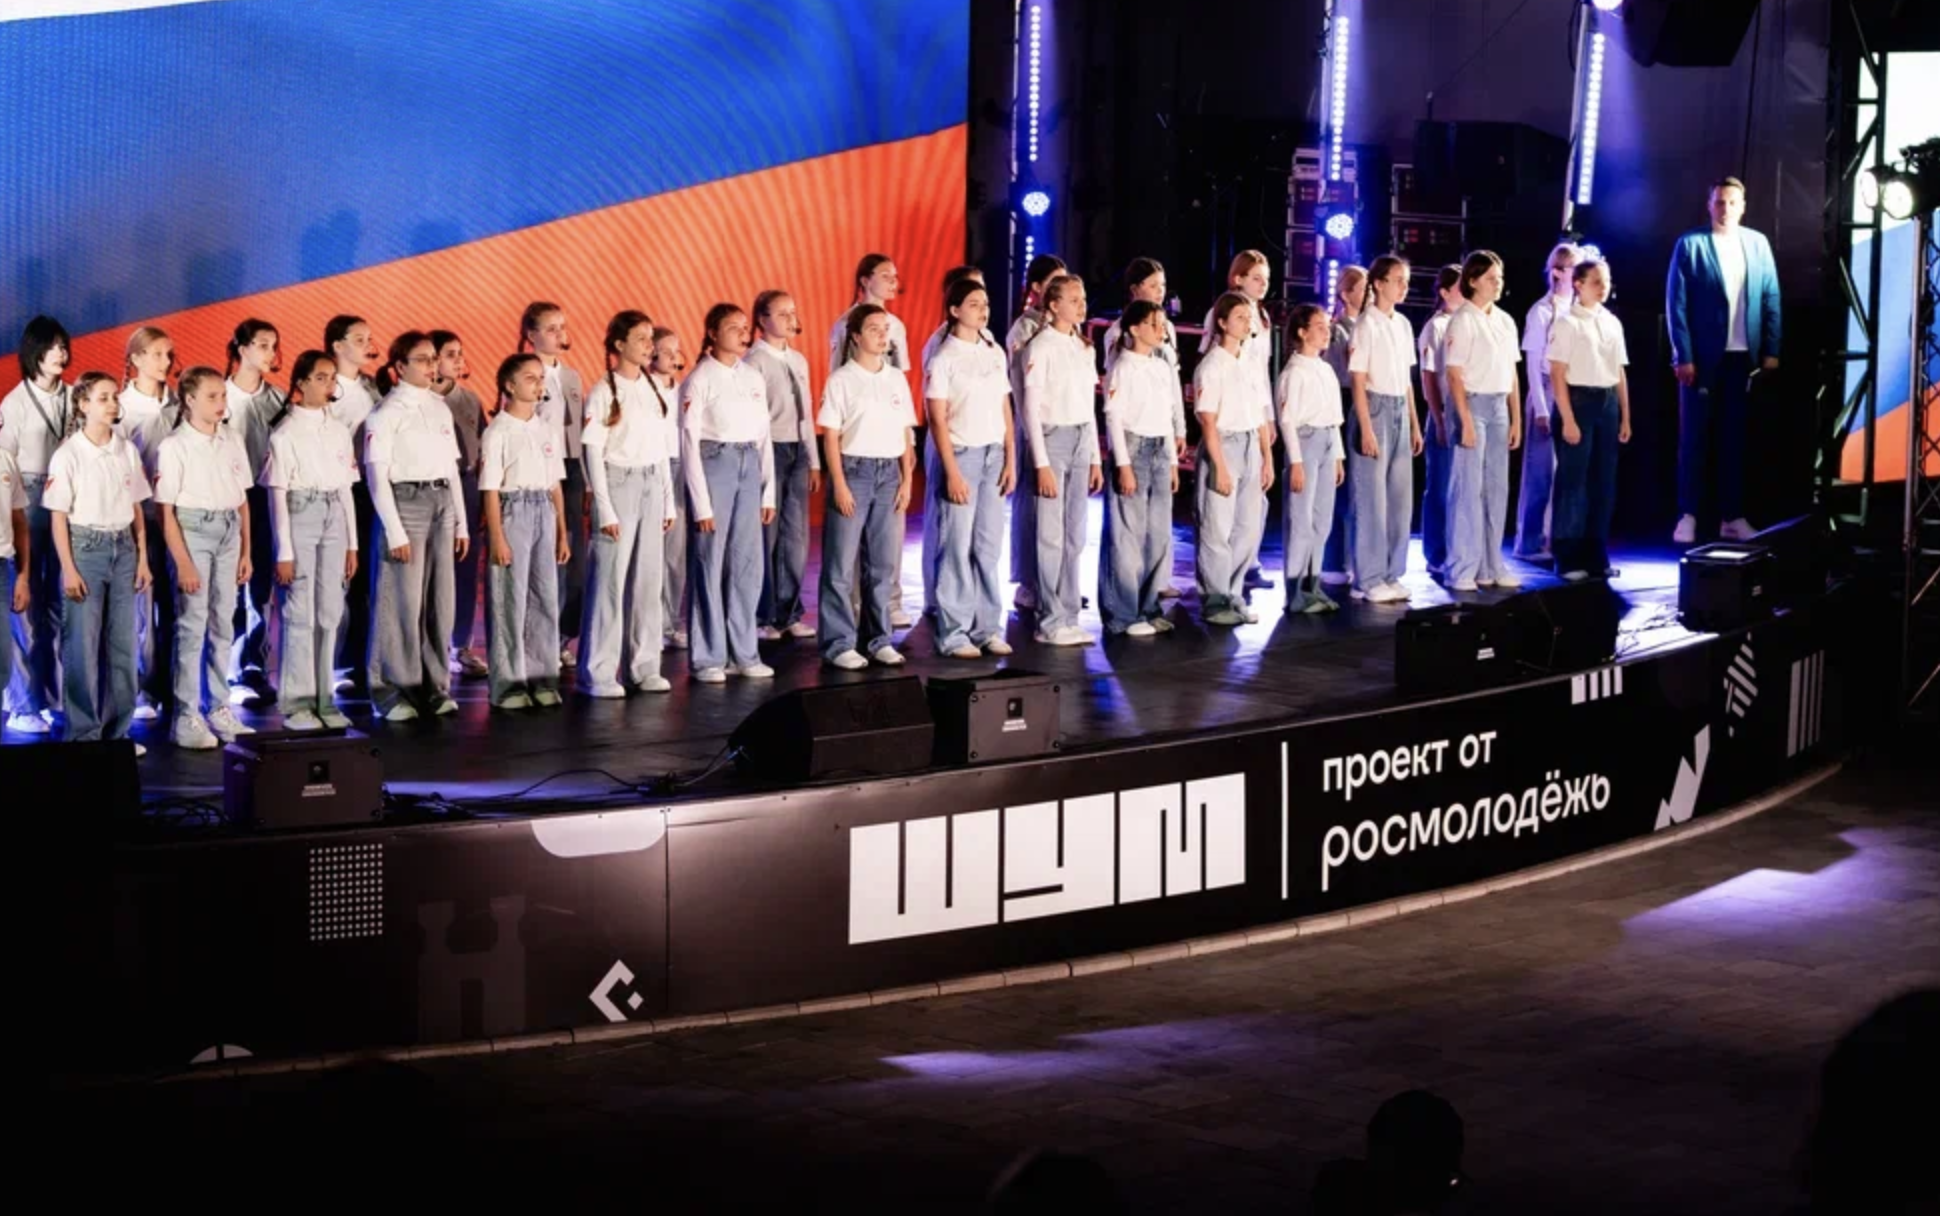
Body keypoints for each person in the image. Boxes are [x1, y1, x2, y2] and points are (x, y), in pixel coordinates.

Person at [1666, 175, 1781, 543]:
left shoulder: (1757, 244)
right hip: (1701, 360)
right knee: (1694, 439)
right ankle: (1688, 514)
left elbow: (1771, 297)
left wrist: (1772, 349)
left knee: (1734, 440)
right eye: (1719, 202)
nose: (1726, 208)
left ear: (1743, 206)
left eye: (1732, 202)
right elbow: (1676, 304)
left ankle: (1732, 516)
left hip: (1742, 358)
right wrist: (1683, 355)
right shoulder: (1691, 244)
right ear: (1709, 204)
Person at [364, 332, 469, 721]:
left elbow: (452, 469)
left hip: (441, 502)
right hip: (406, 502)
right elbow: (377, 476)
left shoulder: (439, 408)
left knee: (440, 601)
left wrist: (461, 523)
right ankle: (391, 690)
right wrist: (394, 530)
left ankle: (434, 687)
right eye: (422, 359)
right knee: (400, 601)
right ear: (399, 367)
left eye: (433, 359)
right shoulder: (385, 413)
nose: (431, 366)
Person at [45, 372, 151, 753]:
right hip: (85, 549)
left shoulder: (126, 450)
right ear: (83, 404)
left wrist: (142, 558)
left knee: (123, 645)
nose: (111, 404)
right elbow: (58, 516)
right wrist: (68, 568)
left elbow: (136, 507)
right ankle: (83, 734)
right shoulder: (69, 454)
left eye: (114, 397)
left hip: (123, 548)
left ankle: (118, 732)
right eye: (102, 398)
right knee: (82, 646)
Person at [156, 366, 257, 749]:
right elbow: (166, 512)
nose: (220, 403)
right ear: (189, 400)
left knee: (222, 623)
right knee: (192, 624)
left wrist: (246, 549)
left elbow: (242, 498)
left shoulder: (231, 438)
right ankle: (185, 715)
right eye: (212, 396)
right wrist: (183, 561)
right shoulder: (174, 446)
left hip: (229, 529)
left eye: (223, 396)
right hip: (193, 531)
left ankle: (218, 706)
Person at [579, 311, 676, 697]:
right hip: (618, 483)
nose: (649, 345)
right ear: (619, 344)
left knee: (648, 581)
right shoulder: (604, 390)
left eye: (651, 338)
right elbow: (593, 450)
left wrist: (668, 500)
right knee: (609, 582)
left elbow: (662, 448)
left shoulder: (653, 388)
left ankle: (644, 665)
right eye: (641, 338)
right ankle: (598, 672)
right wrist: (604, 507)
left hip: (651, 482)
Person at [817, 305, 916, 669]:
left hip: (889, 473)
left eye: (885, 328)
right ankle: (838, 642)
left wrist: (906, 479)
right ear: (856, 336)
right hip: (854, 470)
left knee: (882, 564)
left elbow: (905, 431)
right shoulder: (841, 379)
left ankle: (878, 639)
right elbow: (831, 436)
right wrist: (839, 483)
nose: (882, 335)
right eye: (873, 328)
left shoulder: (896, 378)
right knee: (841, 564)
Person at [681, 303, 776, 683]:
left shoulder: (752, 377)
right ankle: (708, 657)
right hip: (715, 462)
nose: (742, 333)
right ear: (712, 333)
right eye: (732, 327)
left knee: (747, 564)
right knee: (710, 561)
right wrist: (701, 504)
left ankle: (744, 653)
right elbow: (689, 442)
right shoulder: (700, 378)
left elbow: (764, 435)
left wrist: (768, 492)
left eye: (744, 326)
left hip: (748, 464)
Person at [264, 351, 358, 729]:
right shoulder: (285, 433)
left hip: (334, 513)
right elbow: (277, 494)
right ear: (301, 383)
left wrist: (352, 543)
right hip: (301, 511)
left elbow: (347, 487)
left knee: (330, 609)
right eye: (320, 377)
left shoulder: (338, 430)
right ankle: (297, 702)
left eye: (332, 377)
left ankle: (324, 698)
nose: (329, 384)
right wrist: (284, 551)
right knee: (300, 611)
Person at [924, 277, 1016, 657]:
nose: (983, 310)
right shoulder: (944, 357)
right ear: (955, 310)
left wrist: (1011, 456)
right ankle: (954, 632)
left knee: (988, 546)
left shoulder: (993, 351)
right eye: (974, 304)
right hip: (962, 454)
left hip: (993, 454)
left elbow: (1004, 405)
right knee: (956, 545)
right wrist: (952, 471)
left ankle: (987, 627)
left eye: (986, 304)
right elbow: (937, 418)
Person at [479, 353, 570, 709]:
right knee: (510, 599)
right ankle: (508, 685)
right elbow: (490, 489)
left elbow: (556, 484)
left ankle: (542, 678)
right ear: (510, 385)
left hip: (543, 509)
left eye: (540, 377)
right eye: (529, 378)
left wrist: (562, 530)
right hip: (513, 509)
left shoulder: (546, 428)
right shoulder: (498, 431)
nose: (538, 384)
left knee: (544, 597)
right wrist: (497, 537)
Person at [829, 254, 914, 628]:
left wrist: (907, 445)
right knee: (848, 542)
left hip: (889, 439)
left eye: (896, 276)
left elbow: (901, 381)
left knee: (888, 537)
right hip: (856, 445)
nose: (893, 282)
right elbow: (837, 375)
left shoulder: (898, 327)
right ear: (864, 280)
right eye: (885, 275)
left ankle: (888, 603)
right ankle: (851, 608)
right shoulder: (845, 325)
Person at [1022, 273, 1103, 646]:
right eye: (1073, 299)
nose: (1081, 305)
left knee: (1075, 535)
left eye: (1083, 298)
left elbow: (1088, 405)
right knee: (1050, 535)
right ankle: (1050, 619)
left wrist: (1095, 457)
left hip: (1080, 439)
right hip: (1052, 439)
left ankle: (1069, 613)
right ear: (1053, 305)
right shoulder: (1041, 347)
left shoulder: (1084, 348)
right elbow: (1031, 408)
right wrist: (1041, 463)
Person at [2, 316, 73, 735]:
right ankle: (22, 703)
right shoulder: (14, 404)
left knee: (62, 605)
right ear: (34, 352)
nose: (60, 354)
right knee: (24, 605)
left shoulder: (75, 396)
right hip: (26, 499)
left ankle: (58, 697)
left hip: (65, 498)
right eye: (51, 347)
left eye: (63, 346)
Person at [1102, 257, 1188, 600]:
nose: (1159, 292)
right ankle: (1126, 595)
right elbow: (1116, 398)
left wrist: (1179, 428)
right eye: (1152, 285)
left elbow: (1171, 386)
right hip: (1134, 434)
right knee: (1130, 522)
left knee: (1159, 519)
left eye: (1162, 286)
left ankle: (1156, 583)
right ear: (1135, 289)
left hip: (1159, 432)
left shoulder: (1165, 334)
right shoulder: (1119, 335)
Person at [1442, 250, 1523, 592]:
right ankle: (1462, 566)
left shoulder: (1505, 321)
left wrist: (1516, 417)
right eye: (1490, 278)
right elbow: (1454, 374)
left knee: (1496, 488)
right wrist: (1465, 420)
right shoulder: (1463, 320)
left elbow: (1512, 372)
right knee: (1468, 489)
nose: (1497, 283)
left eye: (1499, 278)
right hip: (1472, 404)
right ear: (1473, 281)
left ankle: (1491, 564)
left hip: (1499, 405)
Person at [1546, 259, 1633, 581]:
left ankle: (1596, 555)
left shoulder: (1611, 321)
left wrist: (1625, 415)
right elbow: (1557, 373)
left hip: (1606, 402)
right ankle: (1567, 557)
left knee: (1603, 483)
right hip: (1578, 400)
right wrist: (1568, 419)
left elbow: (1619, 370)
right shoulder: (1567, 322)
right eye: (1596, 281)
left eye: (1605, 281)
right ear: (1579, 284)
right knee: (1573, 483)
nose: (1603, 287)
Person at [1194, 291, 1275, 626]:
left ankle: (1233, 593)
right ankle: (1215, 599)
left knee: (1247, 527)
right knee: (1217, 527)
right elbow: (1208, 420)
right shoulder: (1212, 365)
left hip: (1250, 443)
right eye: (1239, 317)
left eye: (1248, 317)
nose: (1246, 322)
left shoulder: (1251, 363)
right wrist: (1220, 466)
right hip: (1223, 443)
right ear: (1223, 322)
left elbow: (1260, 413)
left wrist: (1267, 457)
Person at [1346, 255, 1423, 603]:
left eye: (1406, 280)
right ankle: (1369, 577)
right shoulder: (1366, 324)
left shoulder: (1403, 324)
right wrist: (1366, 427)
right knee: (1371, 498)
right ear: (1378, 283)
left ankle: (1392, 572)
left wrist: (1414, 423)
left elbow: (1406, 380)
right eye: (1397, 280)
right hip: (1374, 408)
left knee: (1399, 498)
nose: (1404, 286)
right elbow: (1358, 379)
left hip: (1399, 409)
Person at [744, 290, 819, 641]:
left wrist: (813, 459)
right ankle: (764, 614)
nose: (791, 319)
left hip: (797, 451)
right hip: (769, 450)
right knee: (767, 535)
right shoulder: (754, 361)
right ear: (762, 319)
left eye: (793, 312)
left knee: (795, 537)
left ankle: (789, 612)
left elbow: (807, 414)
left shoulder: (798, 360)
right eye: (782, 313)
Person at [517, 302, 588, 666]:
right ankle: (535, 637)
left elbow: (578, 434)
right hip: (539, 472)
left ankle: (560, 636)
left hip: (570, 470)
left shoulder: (571, 376)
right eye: (551, 328)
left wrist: (585, 481)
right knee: (543, 555)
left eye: (562, 327)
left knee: (571, 557)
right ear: (532, 335)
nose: (560, 334)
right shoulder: (526, 375)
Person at [224, 319, 284, 707]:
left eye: (274, 346)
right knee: (229, 585)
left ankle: (254, 666)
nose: (270, 353)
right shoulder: (219, 394)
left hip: (264, 496)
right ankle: (227, 668)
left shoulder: (279, 400)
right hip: (225, 498)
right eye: (262, 345)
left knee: (260, 588)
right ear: (242, 348)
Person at [119, 325, 175, 723]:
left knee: (177, 606)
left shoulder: (179, 404)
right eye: (156, 354)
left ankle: (174, 687)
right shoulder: (121, 408)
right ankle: (141, 688)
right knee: (142, 610)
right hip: (139, 519)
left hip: (178, 517)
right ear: (136, 358)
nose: (165, 362)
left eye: (169, 355)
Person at [323, 314, 380, 695]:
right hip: (341, 487)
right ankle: (339, 662)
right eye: (358, 339)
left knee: (367, 580)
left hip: (371, 489)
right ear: (337, 345)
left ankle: (364, 659)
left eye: (368, 339)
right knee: (344, 575)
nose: (367, 346)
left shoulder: (373, 387)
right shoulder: (330, 388)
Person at [1277, 302, 1345, 614]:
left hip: (1327, 442)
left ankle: (1313, 586)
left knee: (1321, 520)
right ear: (1302, 332)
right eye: (1319, 327)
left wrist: (1338, 456)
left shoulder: (1325, 369)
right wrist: (1296, 462)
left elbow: (1334, 418)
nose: (1326, 332)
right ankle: (1295, 593)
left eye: (1326, 326)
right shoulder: (1294, 372)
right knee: (1301, 521)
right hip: (1305, 443)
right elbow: (1288, 420)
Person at [1007, 253, 1066, 611]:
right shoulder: (1024, 329)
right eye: (1055, 282)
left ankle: (1056, 582)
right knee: (1031, 505)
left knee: (1058, 511)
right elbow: (1020, 386)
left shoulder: (1066, 329)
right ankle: (1028, 581)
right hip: (1033, 425)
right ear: (1037, 287)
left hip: (1063, 426)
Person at [1515, 242, 1579, 560]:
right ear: (1557, 272)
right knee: (1541, 472)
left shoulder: (1580, 310)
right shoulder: (1541, 311)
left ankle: (1558, 538)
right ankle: (1529, 541)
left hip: (1574, 391)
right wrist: (1541, 409)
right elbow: (1533, 362)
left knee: (1567, 474)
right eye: (1573, 269)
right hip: (1547, 390)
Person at [430, 330, 488, 680]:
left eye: (459, 353)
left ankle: (460, 644)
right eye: (450, 354)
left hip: (466, 486)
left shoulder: (469, 400)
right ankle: (430, 646)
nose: (458, 360)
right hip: (431, 488)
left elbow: (481, 448)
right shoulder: (418, 401)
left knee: (465, 568)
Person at [1416, 264, 1464, 578]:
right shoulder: (1436, 327)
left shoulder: (1470, 322)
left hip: (1468, 412)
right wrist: (1439, 417)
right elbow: (1429, 377)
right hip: (1444, 413)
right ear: (1445, 292)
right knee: (1441, 486)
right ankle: (1437, 552)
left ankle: (1460, 549)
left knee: (1462, 488)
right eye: (1460, 286)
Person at [1321, 265, 1368, 586]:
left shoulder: (1371, 326)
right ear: (1346, 293)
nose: (1368, 296)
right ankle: (1333, 559)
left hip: (1366, 404)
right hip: (1343, 401)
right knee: (1340, 486)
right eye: (1362, 289)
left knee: (1359, 489)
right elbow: (1337, 376)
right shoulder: (1337, 331)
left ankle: (1357, 557)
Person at [649, 326, 689, 651]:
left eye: (677, 351)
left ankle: (670, 622)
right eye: (667, 351)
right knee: (652, 554)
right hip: (652, 470)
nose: (674, 357)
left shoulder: (684, 389)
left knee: (675, 555)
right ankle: (649, 624)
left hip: (680, 468)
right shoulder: (643, 389)